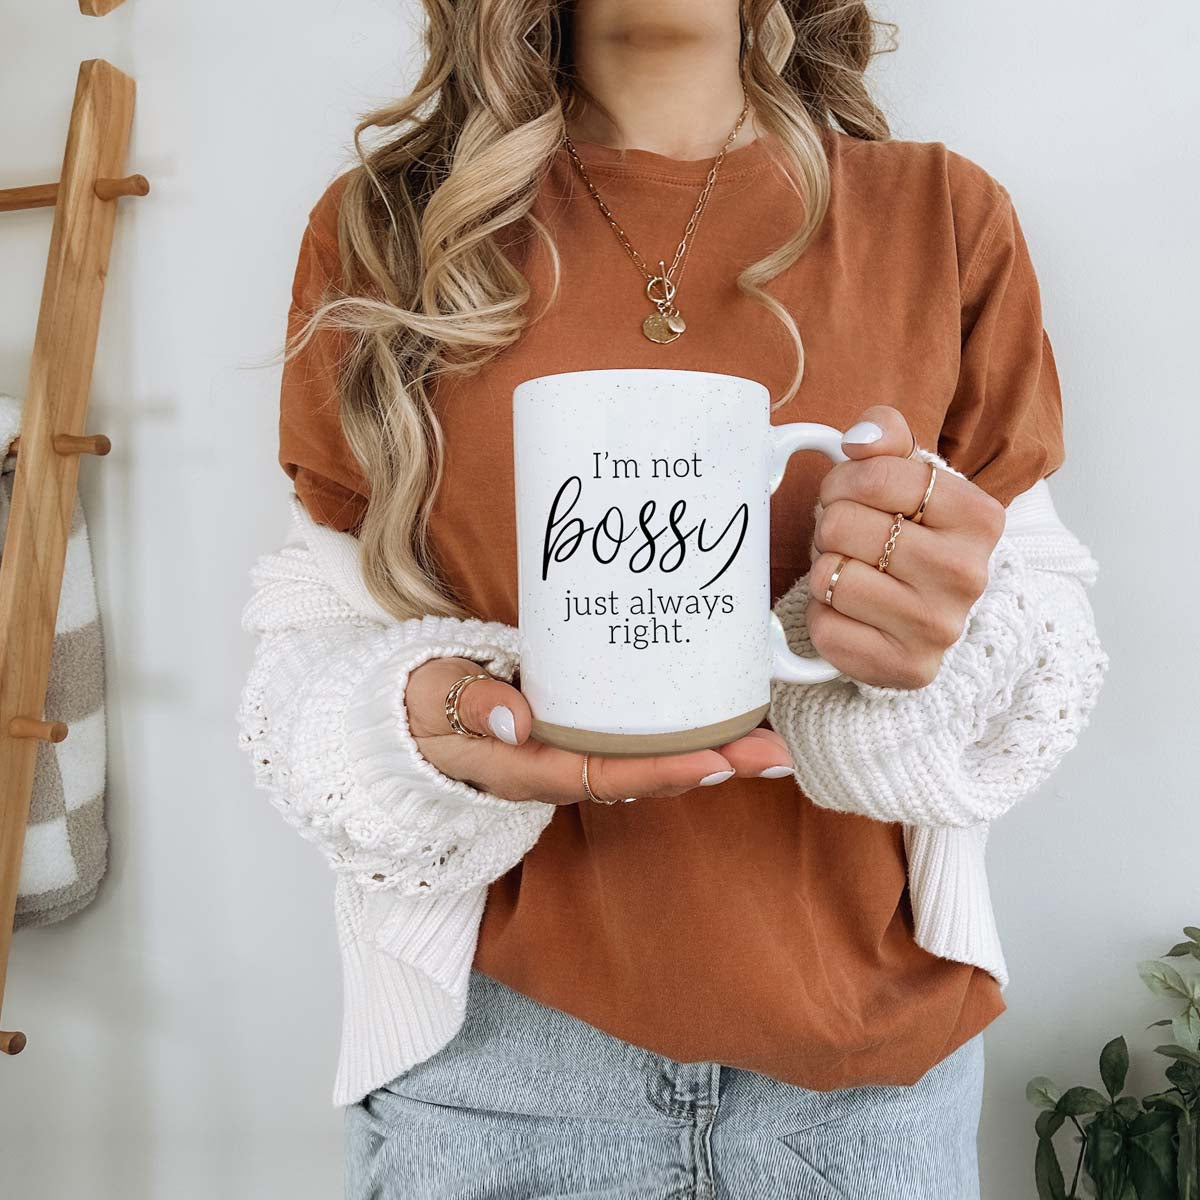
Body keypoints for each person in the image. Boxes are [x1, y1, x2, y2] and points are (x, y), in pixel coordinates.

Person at [236, 1, 1108, 1195]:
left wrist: (918, 652)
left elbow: (1041, 633)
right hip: (495, 1073)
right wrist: (422, 729)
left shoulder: (941, 218)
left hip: (862, 1083)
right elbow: (307, 645)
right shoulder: (390, 231)